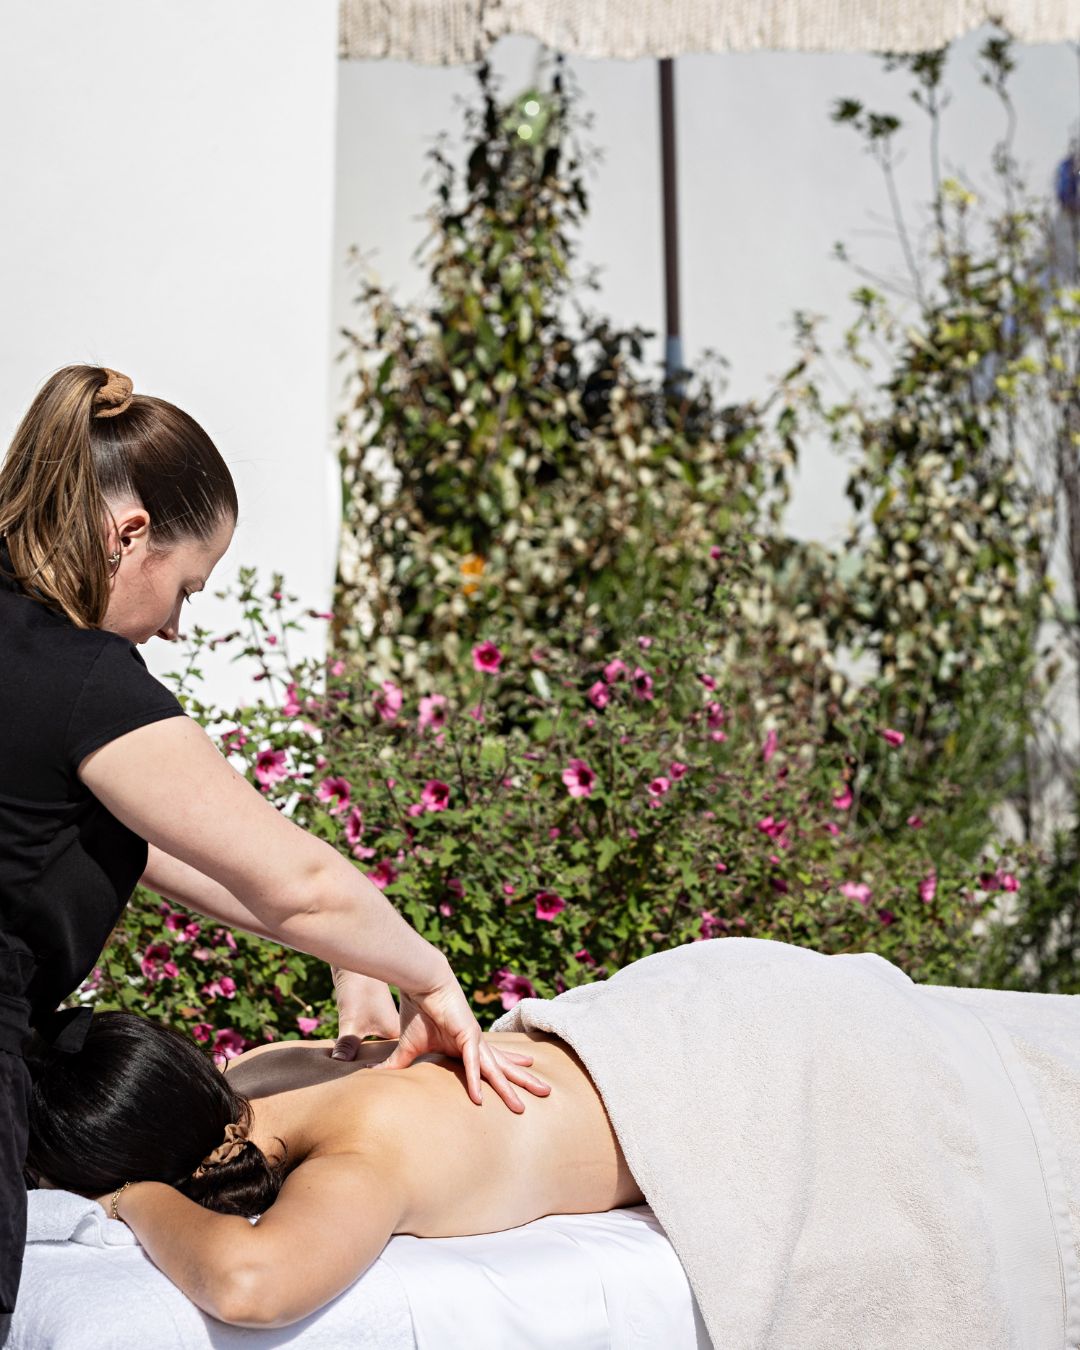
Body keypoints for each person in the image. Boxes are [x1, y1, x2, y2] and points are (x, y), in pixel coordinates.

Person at [0, 365, 546, 1318]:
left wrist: (352, 959)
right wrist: (431, 980)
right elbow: (297, 882)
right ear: (129, 535)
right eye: (185, 588)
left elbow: (176, 855)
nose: (176, 627)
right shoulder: (82, 677)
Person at [26, 1007, 636, 1329]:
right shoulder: (261, 1069)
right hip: (629, 1017)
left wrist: (131, 1196)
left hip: (667, 1081)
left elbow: (251, 1287)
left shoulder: (362, 1154)